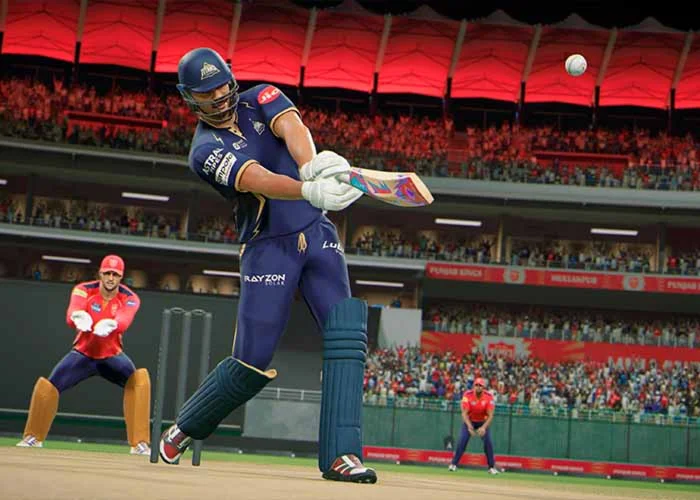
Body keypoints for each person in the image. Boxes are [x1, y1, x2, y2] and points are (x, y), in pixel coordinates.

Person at [158, 47, 376, 484]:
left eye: (221, 85)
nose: (218, 95)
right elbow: (255, 177)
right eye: (206, 92)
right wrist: (307, 189)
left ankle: (342, 455)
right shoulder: (204, 150)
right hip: (267, 247)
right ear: (189, 97)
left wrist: (311, 165)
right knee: (251, 359)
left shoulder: (261, 96)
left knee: (347, 339)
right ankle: (185, 427)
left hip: (318, 234)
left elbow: (291, 125)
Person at [16, 255, 151, 456]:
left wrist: (114, 324)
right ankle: (33, 437)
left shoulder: (130, 297)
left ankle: (139, 443)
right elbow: (73, 309)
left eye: (115, 275)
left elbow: (125, 317)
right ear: (100, 273)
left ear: (121, 277)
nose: (111, 278)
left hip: (112, 355)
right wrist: (77, 317)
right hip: (83, 354)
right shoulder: (84, 289)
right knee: (48, 387)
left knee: (139, 381)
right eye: (107, 273)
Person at [448, 377, 499, 474]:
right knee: (462, 441)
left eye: (480, 385)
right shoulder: (467, 395)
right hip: (470, 421)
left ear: (483, 387)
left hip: (482, 422)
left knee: (488, 443)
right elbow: (464, 413)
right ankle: (453, 464)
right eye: (476, 385)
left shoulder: (488, 397)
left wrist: (483, 428)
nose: (478, 387)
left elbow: (490, 415)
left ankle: (491, 467)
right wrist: (469, 426)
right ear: (473, 386)